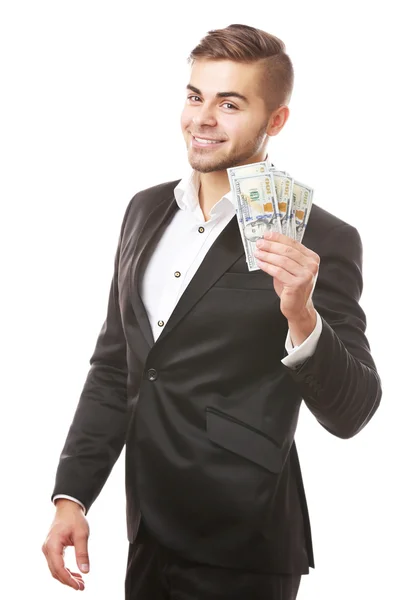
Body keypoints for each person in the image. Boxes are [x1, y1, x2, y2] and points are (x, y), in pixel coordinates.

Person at [42, 24, 382, 600]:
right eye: (195, 96)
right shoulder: (144, 210)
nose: (202, 118)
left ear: (276, 122)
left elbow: (353, 411)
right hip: (146, 531)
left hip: (243, 545)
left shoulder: (321, 237)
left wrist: (301, 315)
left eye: (229, 104)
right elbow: (116, 367)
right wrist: (72, 496)